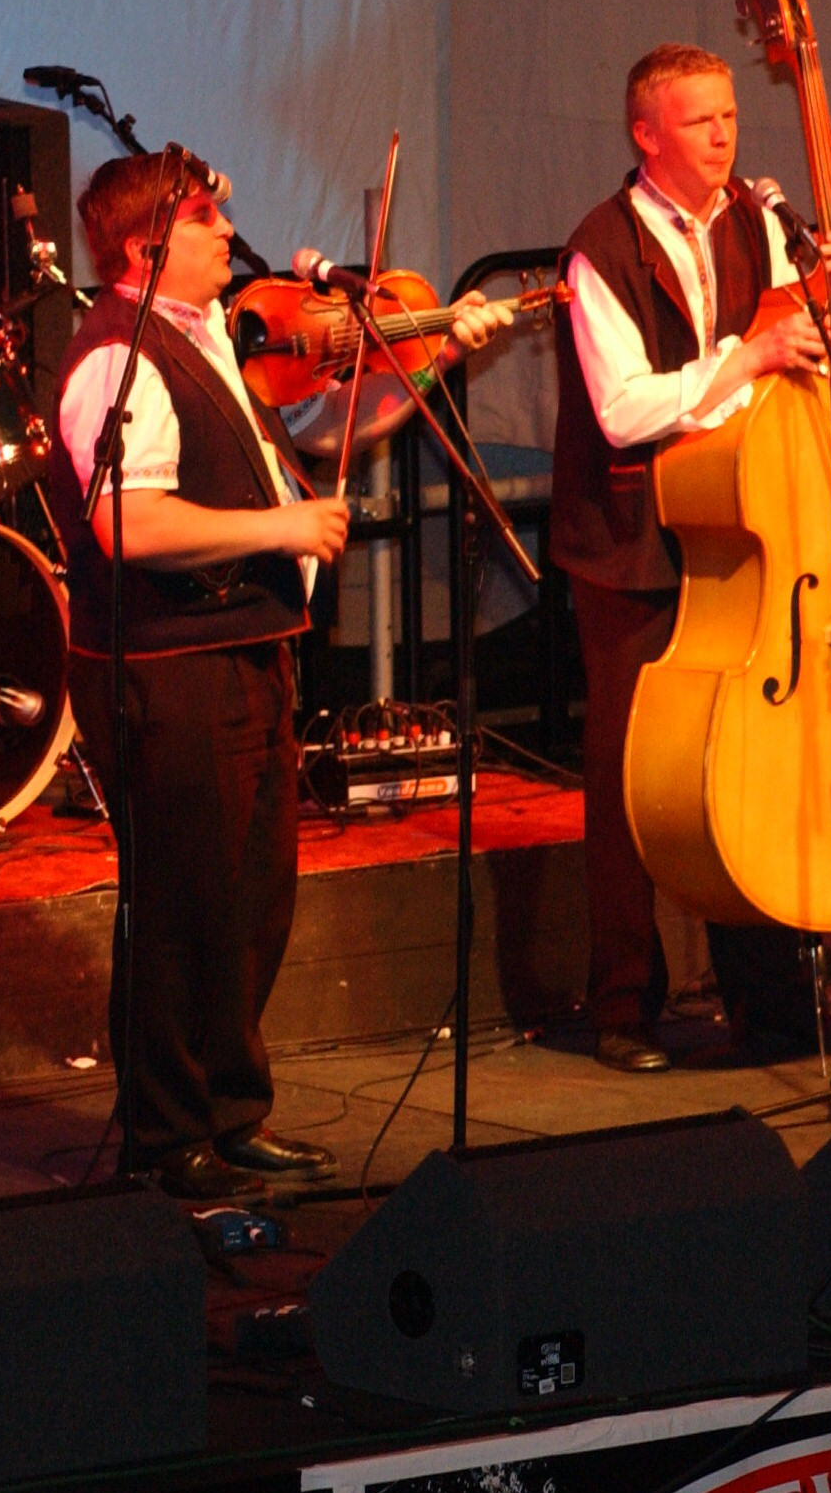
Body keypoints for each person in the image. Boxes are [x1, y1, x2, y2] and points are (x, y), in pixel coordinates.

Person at [49, 147, 511, 1198]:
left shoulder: (208, 334)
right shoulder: (116, 357)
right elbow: (127, 521)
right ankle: (167, 1134)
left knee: (251, 899)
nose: (228, 232)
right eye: (205, 219)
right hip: (169, 668)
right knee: (182, 905)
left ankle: (230, 1110)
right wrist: (281, 528)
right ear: (144, 247)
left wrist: (433, 353)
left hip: (245, 652)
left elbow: (314, 434)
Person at [550, 43, 831, 1074]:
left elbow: (804, 333)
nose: (723, 136)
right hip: (630, 543)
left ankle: (770, 1002)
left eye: (730, 115)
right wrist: (747, 358)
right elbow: (622, 409)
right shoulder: (598, 249)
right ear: (646, 135)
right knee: (628, 775)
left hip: (740, 523)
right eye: (700, 121)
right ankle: (622, 1005)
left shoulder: (757, 220)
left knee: (750, 760)